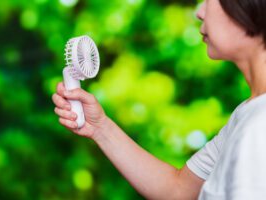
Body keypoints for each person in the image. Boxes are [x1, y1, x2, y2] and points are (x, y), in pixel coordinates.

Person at [52, 0, 266, 199]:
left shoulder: (259, 126)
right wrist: (100, 128)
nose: (200, 13)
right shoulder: (247, 115)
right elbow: (178, 189)